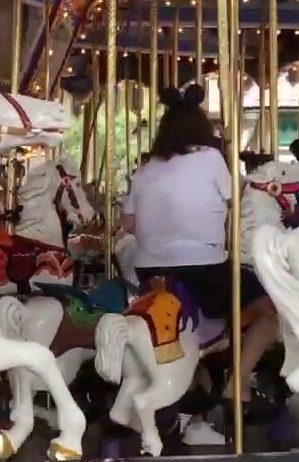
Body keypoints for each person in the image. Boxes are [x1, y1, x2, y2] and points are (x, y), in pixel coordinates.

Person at [120, 85, 280, 412]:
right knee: (269, 308)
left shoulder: (146, 169)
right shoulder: (210, 159)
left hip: (150, 270)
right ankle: (239, 383)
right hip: (202, 267)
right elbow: (238, 200)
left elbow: (128, 226)